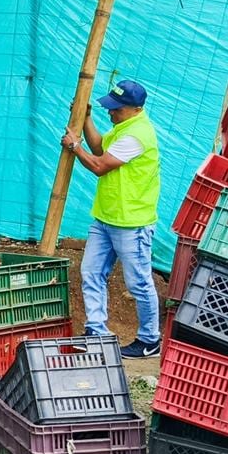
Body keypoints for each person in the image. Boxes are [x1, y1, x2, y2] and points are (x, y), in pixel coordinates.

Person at [60, 78, 162, 359]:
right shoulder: (123, 127)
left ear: (135, 108)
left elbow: (99, 165)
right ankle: (96, 330)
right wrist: (87, 119)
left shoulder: (137, 135)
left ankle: (149, 339)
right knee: (91, 272)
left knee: (139, 282)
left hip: (132, 223)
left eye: (116, 108)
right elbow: (99, 148)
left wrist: (73, 146)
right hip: (106, 218)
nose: (111, 112)